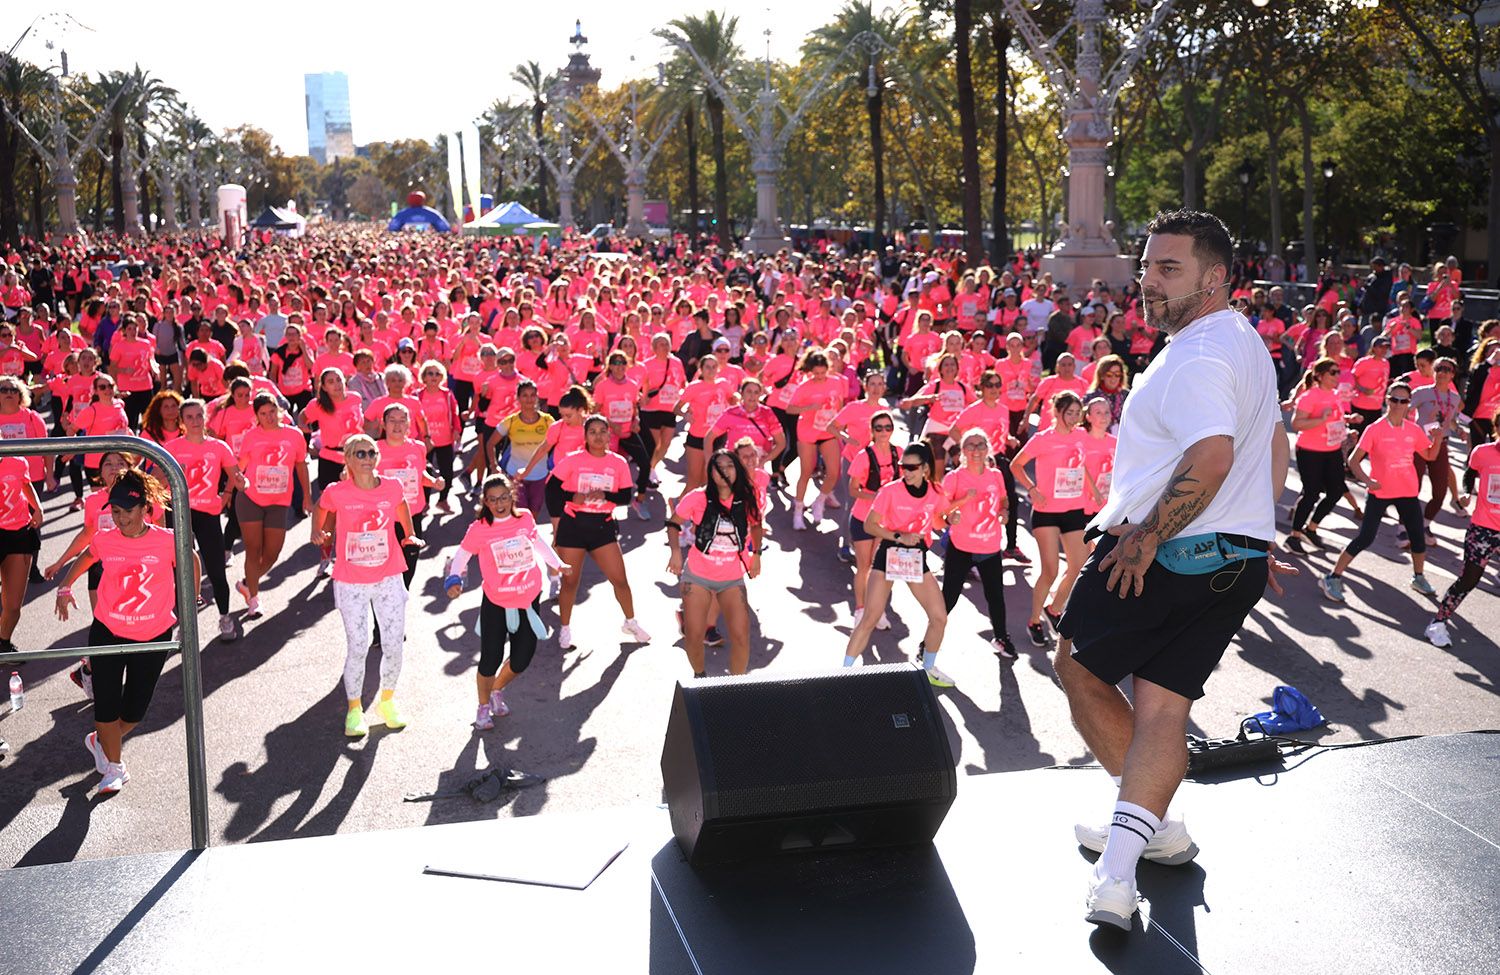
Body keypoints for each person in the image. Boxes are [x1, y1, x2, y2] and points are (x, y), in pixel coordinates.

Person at [1051, 210, 1290, 932]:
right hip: (1232, 557)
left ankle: (1131, 851)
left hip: (1165, 550)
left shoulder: (1198, 355)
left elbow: (1213, 456)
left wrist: (1147, 538)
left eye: (1169, 269)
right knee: (1162, 709)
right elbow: (1272, 447)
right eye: (1148, 265)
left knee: (1077, 666)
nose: (1149, 281)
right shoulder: (1242, 342)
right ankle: (1138, 841)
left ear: (1215, 278)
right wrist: (1255, 531)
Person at [54, 467, 199, 794]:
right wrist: (65, 585)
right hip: (108, 630)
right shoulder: (106, 539)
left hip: (154, 634)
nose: (120, 518)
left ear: (146, 508)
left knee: (134, 710)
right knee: (106, 703)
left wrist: (191, 603)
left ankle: (101, 741)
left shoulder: (166, 541)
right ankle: (115, 769)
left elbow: (191, 561)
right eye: (116, 511)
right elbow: (87, 556)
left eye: (127, 511)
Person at [312, 434, 422, 737]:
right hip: (352, 581)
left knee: (393, 644)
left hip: (388, 576)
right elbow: (319, 507)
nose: (367, 458)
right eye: (359, 454)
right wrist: (316, 531)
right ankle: (355, 709)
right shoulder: (338, 491)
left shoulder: (391, 486)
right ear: (348, 458)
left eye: (371, 452)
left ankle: (388, 701)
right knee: (358, 646)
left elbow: (401, 507)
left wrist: (408, 534)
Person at [446, 473, 564, 728]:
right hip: (497, 602)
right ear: (485, 503)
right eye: (492, 500)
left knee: (522, 659)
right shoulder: (479, 529)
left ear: (512, 496)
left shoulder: (525, 518)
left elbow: (538, 542)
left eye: (503, 497)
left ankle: (496, 689)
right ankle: (483, 706)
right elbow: (461, 556)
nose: (499, 504)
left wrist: (557, 563)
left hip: (528, 599)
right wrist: (453, 579)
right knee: (490, 658)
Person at [841, 442, 957, 687]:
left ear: (925, 468)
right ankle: (843, 674)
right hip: (889, 553)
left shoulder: (935, 492)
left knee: (939, 617)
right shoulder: (890, 491)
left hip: (917, 557)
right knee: (870, 618)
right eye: (903, 466)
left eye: (912, 467)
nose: (905, 470)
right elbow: (869, 525)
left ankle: (928, 669)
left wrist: (949, 519)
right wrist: (897, 536)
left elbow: (937, 521)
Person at [1319, 381, 1446, 601]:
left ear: (1408, 404)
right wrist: (1368, 481)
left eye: (1403, 401)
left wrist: (1436, 439)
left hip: (1407, 491)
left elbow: (1430, 456)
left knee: (1418, 537)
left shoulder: (1413, 429)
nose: (1398, 404)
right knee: (1365, 538)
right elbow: (1353, 460)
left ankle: (1418, 577)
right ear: (1387, 400)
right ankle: (1332, 577)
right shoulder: (1375, 429)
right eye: (1394, 399)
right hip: (1380, 492)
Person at [551, 415, 652, 651]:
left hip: (602, 526)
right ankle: (564, 628)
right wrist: (571, 497)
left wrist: (606, 496)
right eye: (592, 431)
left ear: (609, 435)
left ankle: (630, 622)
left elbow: (626, 497)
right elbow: (552, 489)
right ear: (585, 436)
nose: (598, 436)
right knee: (570, 582)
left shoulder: (618, 463)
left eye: (602, 431)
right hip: (573, 526)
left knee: (620, 580)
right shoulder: (573, 460)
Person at [668, 448, 764, 677]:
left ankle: (735, 687)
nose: (724, 472)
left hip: (731, 577)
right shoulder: (697, 497)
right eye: (718, 468)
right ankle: (700, 676)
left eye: (730, 466)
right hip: (698, 576)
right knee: (694, 634)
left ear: (737, 470)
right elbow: (673, 523)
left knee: (741, 635)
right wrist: (675, 552)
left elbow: (757, 525)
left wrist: (757, 554)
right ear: (710, 473)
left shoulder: (748, 497)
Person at [1010, 391, 1090, 647]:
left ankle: (1054, 608)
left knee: (1079, 566)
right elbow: (1016, 465)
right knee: (1051, 569)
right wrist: (1032, 489)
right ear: (1057, 412)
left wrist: (1095, 490)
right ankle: (1034, 621)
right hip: (1047, 511)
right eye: (1070, 413)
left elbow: (1084, 464)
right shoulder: (1043, 439)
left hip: (1074, 509)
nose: (1075, 418)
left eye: (1078, 413)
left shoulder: (1081, 435)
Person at [166, 398, 245, 641]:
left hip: (209, 514)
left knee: (216, 569)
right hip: (180, 514)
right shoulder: (171, 447)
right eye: (189, 417)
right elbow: (157, 478)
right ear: (181, 421)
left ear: (205, 418)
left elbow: (236, 474)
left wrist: (233, 490)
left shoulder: (219, 447)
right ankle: (184, 624)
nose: (195, 421)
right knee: (181, 571)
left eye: (199, 416)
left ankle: (224, 617)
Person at [1424, 404, 1500, 648]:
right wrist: (1467, 492)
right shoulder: (1483, 452)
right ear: (1497, 428)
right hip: (1483, 528)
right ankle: (1438, 623)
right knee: (1469, 579)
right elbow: (1470, 473)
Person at [940, 428, 1016, 659]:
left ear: (988, 449)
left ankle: (1001, 638)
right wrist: (950, 516)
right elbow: (940, 511)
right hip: (961, 547)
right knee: (948, 599)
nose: (976, 450)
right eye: (970, 445)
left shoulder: (995, 475)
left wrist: (1004, 512)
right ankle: (928, 643)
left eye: (981, 445)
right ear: (962, 450)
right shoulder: (954, 477)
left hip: (990, 547)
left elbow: (1003, 502)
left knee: (996, 597)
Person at [236, 393, 311, 618]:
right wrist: (232, 488)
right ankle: (254, 600)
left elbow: (301, 466)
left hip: (279, 500)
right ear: (257, 416)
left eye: (272, 411)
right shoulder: (251, 436)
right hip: (251, 498)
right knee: (253, 549)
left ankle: (247, 583)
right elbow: (240, 466)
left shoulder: (294, 435)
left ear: (279, 410)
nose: (269, 417)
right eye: (263, 414)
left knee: (272, 553)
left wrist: (307, 496)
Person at [1284, 359, 1353, 553]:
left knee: (1336, 492)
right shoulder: (1309, 396)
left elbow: (1334, 420)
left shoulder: (1336, 394)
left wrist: (1347, 422)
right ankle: (1294, 536)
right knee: (1311, 493)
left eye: (1338, 372)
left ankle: (1311, 528)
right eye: (1333, 372)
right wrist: (1320, 419)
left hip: (1332, 450)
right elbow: (1297, 424)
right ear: (1320, 376)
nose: (1337, 376)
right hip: (1310, 451)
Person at [0, 450, 42, 655]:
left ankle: (3, 642)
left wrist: (37, 507)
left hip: (18, 532)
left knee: (13, 605)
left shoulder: (16, 460)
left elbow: (25, 483)